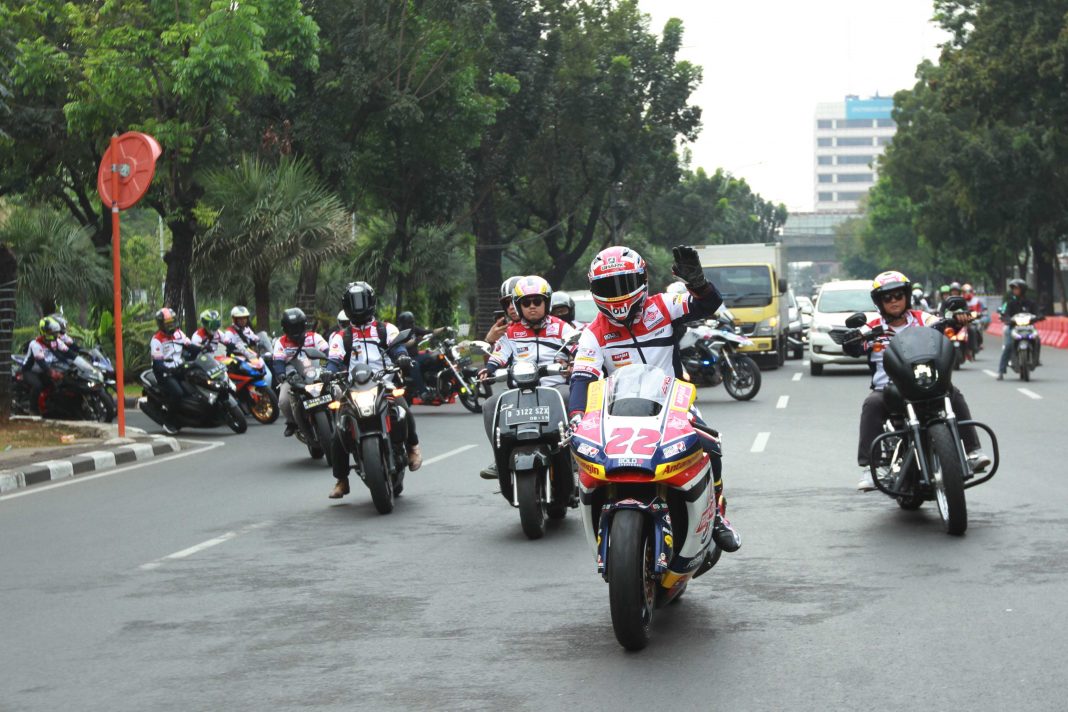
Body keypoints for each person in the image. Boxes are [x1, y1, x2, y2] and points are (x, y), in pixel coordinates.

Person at [567, 245, 741, 554]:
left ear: (643, 281)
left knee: (710, 446)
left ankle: (716, 517)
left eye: (624, 284)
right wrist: (577, 416)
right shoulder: (593, 333)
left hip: (674, 406)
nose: (617, 295)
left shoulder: (663, 306)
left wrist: (698, 283)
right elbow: (582, 378)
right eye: (608, 287)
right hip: (617, 413)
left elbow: (708, 305)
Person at [844, 271, 991, 490]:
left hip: (926, 383)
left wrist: (958, 320)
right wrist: (852, 341)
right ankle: (873, 467)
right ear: (879, 302)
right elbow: (854, 347)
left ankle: (972, 452)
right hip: (889, 390)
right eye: (887, 297)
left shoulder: (923, 319)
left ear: (907, 296)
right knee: (871, 404)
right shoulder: (871, 327)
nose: (894, 301)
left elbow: (945, 324)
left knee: (953, 393)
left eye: (898, 295)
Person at [326, 282, 421, 498]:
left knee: (403, 408)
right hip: (353, 387)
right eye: (354, 303)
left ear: (370, 303)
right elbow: (334, 361)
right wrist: (327, 372)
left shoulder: (385, 329)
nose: (358, 307)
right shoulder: (341, 337)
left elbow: (397, 347)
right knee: (339, 431)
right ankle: (342, 480)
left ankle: (413, 448)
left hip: (384, 383)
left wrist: (402, 357)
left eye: (362, 302)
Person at [477, 276, 577, 481]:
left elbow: (578, 348)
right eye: (526, 303)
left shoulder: (561, 327)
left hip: (555, 389)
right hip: (519, 391)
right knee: (490, 405)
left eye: (537, 301)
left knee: (571, 397)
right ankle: (499, 458)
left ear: (547, 303)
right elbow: (499, 355)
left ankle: (575, 453)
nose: (532, 306)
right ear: (518, 306)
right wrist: (488, 369)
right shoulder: (510, 332)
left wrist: (574, 363)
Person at [272, 307, 330, 438]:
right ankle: (292, 422)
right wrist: (281, 374)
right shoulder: (280, 342)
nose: (295, 331)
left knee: (337, 391)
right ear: (285, 329)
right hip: (293, 377)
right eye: (291, 328)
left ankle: (341, 417)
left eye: (297, 327)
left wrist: (326, 369)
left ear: (304, 325)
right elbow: (278, 361)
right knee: (283, 401)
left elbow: (328, 353)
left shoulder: (315, 337)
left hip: (318, 374)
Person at [149, 307, 192, 435]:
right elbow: (158, 364)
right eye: (167, 324)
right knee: (178, 393)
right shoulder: (157, 339)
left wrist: (201, 349)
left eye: (172, 322)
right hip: (165, 372)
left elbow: (190, 346)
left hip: (179, 368)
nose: (170, 326)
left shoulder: (178, 333)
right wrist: (169, 370)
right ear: (161, 324)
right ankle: (169, 421)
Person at [395, 311, 453, 403]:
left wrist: (444, 328)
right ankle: (423, 392)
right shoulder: (399, 333)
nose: (412, 324)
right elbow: (403, 345)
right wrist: (415, 341)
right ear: (403, 323)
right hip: (407, 359)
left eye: (412, 322)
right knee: (415, 365)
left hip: (417, 356)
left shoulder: (414, 329)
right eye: (409, 322)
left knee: (434, 357)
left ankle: (439, 383)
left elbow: (429, 332)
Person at [996, 278, 1043, 380]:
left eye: (1017, 288)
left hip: (1029, 327)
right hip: (1014, 327)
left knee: (1038, 340)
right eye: (1014, 289)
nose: (1015, 290)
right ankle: (1001, 371)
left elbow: (1038, 312)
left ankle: (1036, 359)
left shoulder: (1031, 303)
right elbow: (1006, 314)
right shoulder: (1011, 303)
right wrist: (1006, 319)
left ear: (1023, 289)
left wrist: (1039, 316)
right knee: (1008, 345)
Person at [22, 316, 69, 414]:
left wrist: (77, 359)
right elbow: (41, 362)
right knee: (38, 385)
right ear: (44, 331)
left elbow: (67, 352)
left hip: (43, 371)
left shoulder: (55, 342)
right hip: (30, 371)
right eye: (51, 332)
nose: (54, 334)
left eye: (55, 332)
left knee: (55, 385)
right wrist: (52, 373)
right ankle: (33, 409)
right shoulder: (35, 344)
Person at [485, 276, 521, 346]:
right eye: (506, 303)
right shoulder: (503, 331)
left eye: (515, 302)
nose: (511, 307)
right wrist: (490, 341)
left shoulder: (543, 328)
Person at [961, 283, 986, 349]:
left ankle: (980, 342)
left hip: (975, 319)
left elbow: (981, 309)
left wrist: (980, 313)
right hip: (963, 319)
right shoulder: (960, 300)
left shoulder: (976, 300)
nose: (967, 293)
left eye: (969, 291)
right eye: (965, 292)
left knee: (979, 327)